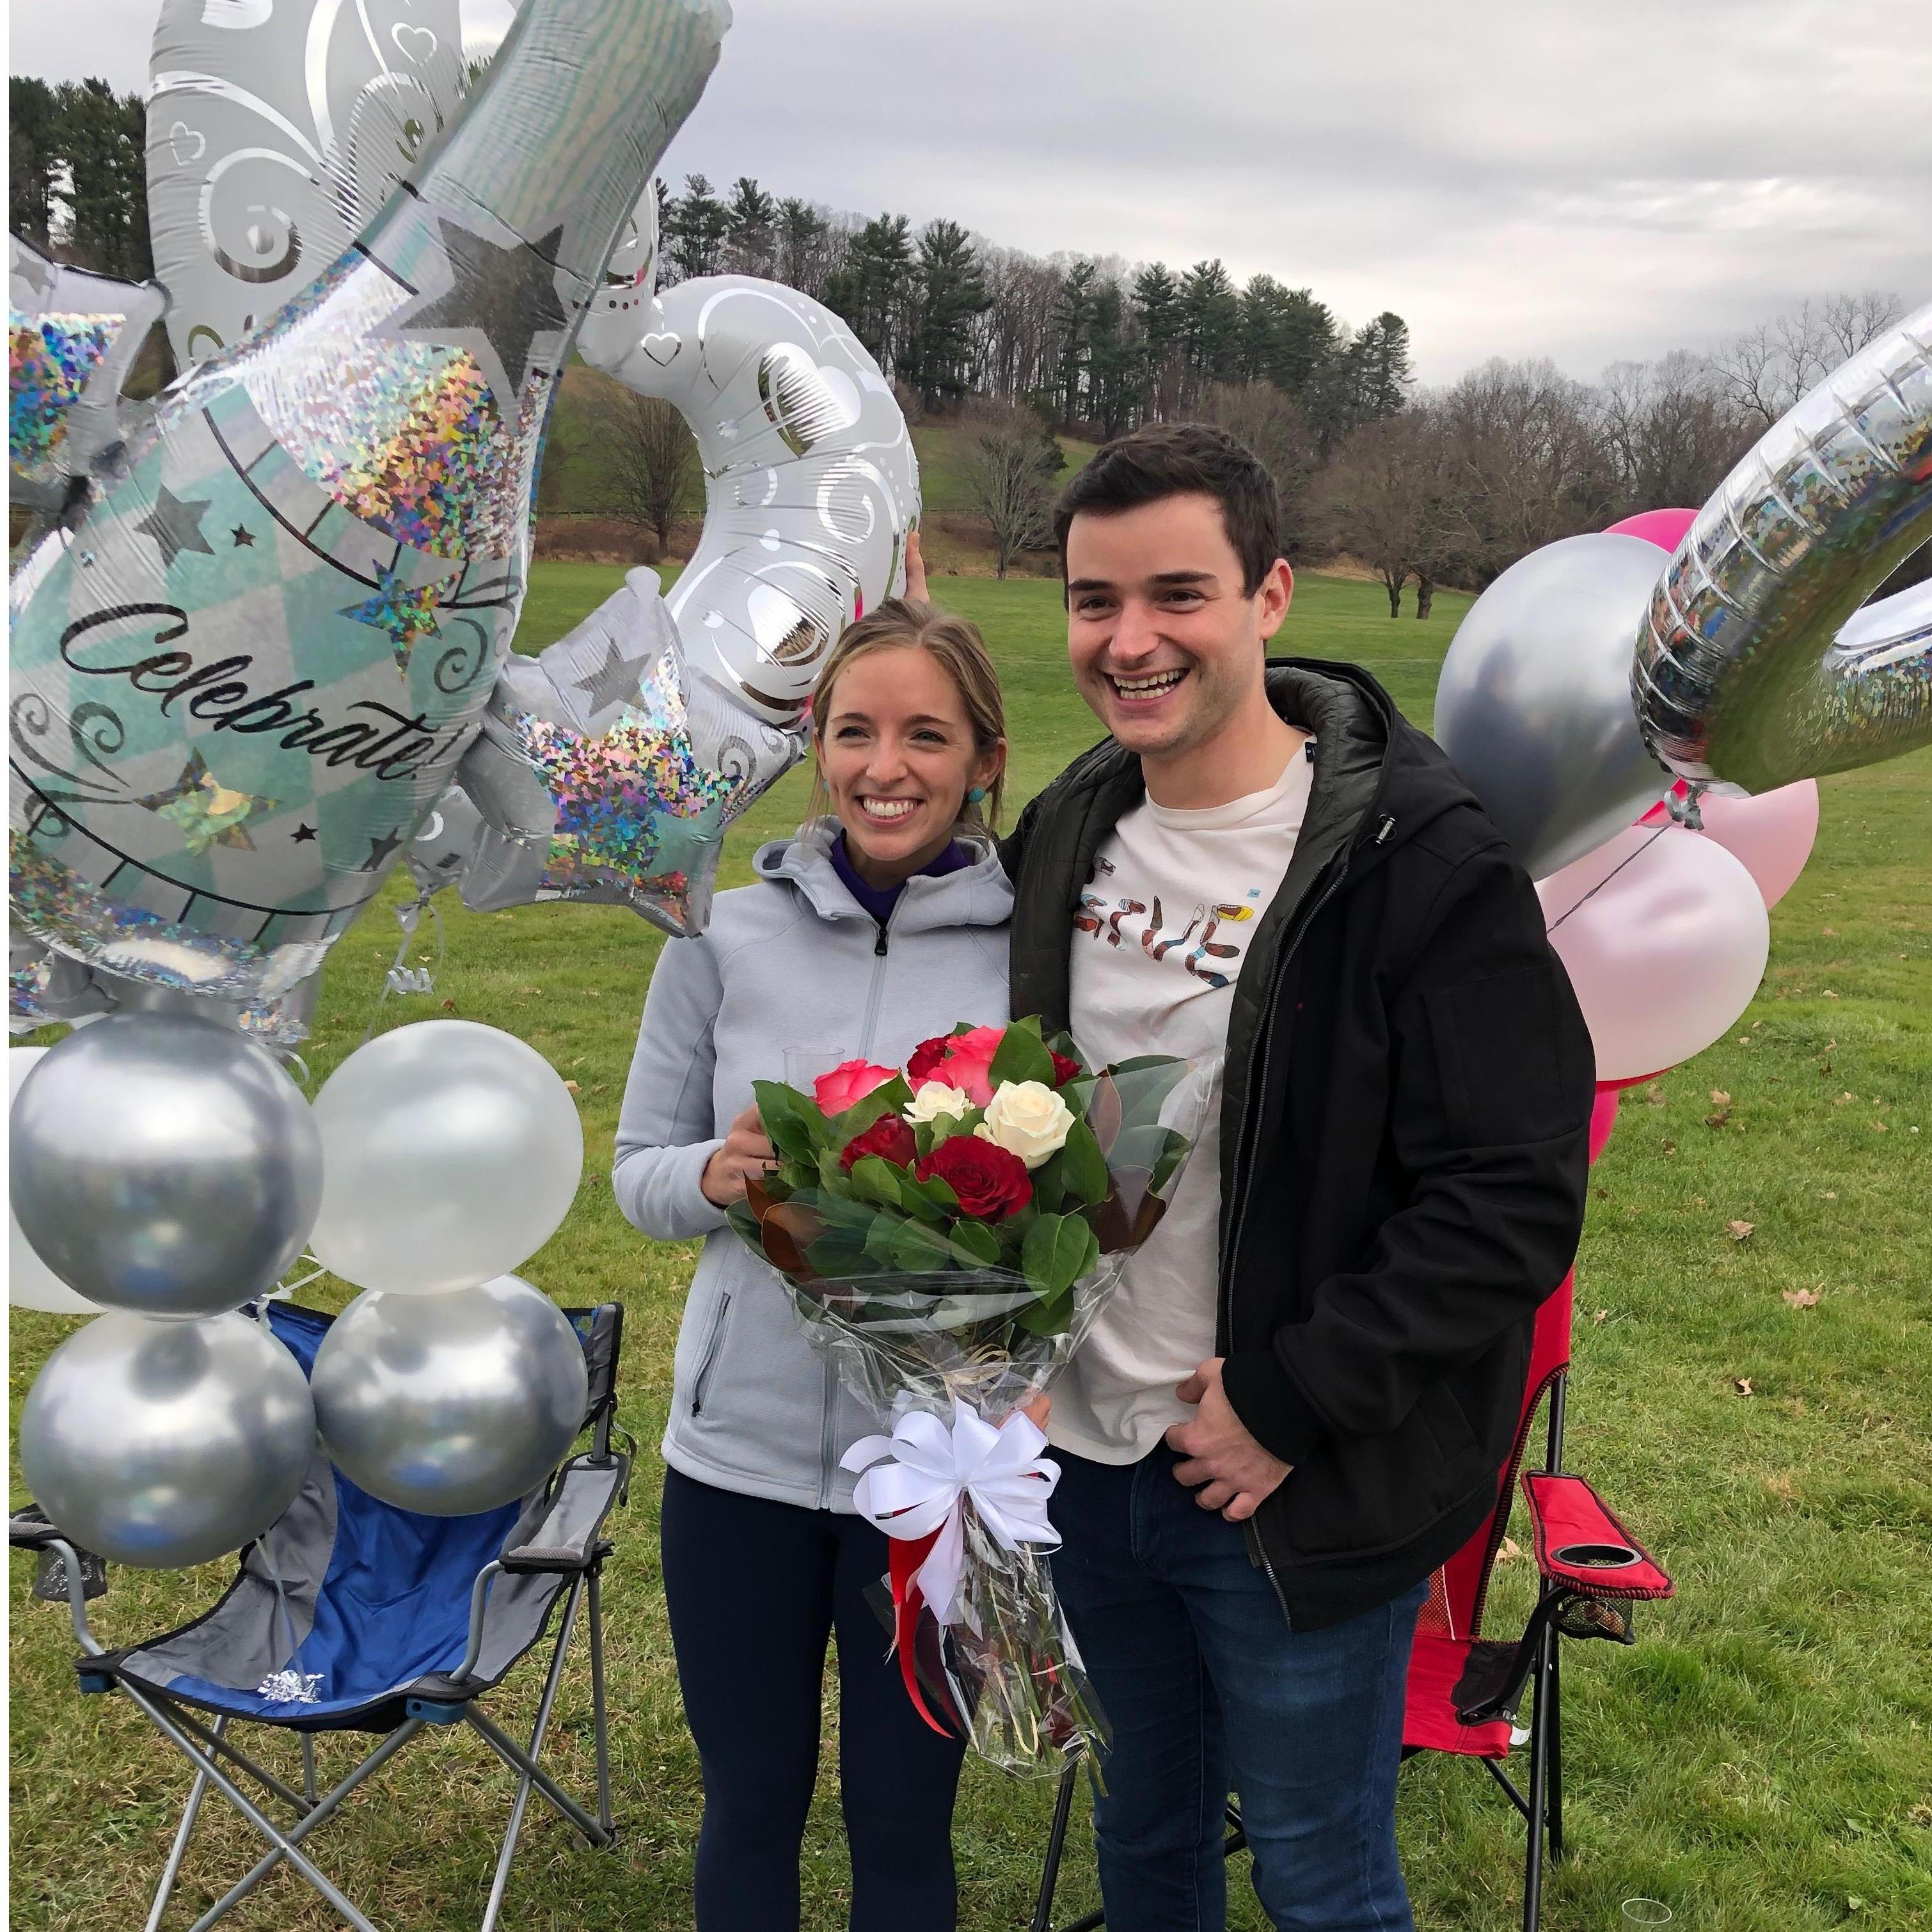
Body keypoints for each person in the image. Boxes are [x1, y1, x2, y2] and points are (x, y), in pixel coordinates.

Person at [1001, 424, 1594, 1932]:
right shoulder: (1073, 822)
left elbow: (1510, 1194)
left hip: (1284, 1481)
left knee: (1322, 1872)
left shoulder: (1420, 858)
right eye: (1092, 601)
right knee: (1143, 1837)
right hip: (1086, 1455)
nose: (1128, 641)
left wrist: (1292, 1397)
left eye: (1176, 594)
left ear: (1269, 594)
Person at [612, 555, 1012, 1932]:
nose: (884, 766)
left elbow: (1073, 1190)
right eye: (854, 730)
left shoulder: (1035, 948)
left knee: (905, 1819)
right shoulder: (717, 925)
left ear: (982, 763)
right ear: (813, 743)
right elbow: (633, 1176)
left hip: (936, 1467)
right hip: (738, 1462)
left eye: (924, 736)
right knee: (752, 1797)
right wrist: (715, 1176)